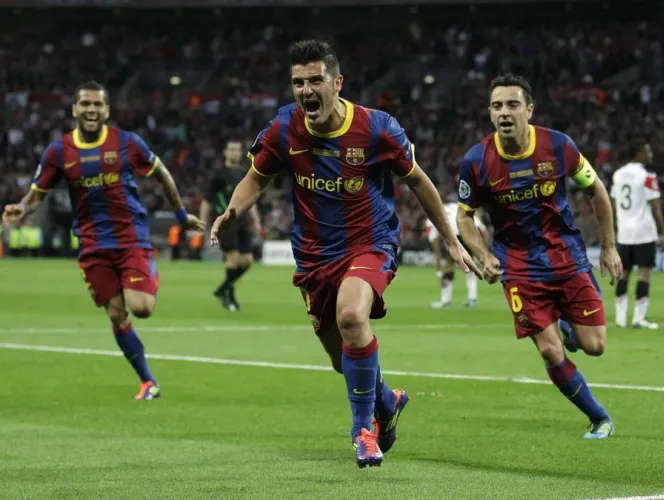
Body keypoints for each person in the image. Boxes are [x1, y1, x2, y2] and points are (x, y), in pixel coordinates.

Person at [209, 40, 481, 468]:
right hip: (314, 255)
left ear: (337, 83)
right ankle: (387, 401)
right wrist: (233, 210)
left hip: (370, 242)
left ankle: (363, 433)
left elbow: (418, 181)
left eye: (315, 80)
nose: (306, 90)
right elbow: (256, 177)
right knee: (342, 360)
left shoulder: (376, 128)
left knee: (352, 317)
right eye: (298, 82)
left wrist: (449, 238)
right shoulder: (284, 127)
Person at [1, 81, 204, 399]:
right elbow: (37, 193)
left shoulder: (127, 142)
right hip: (92, 244)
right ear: (74, 109)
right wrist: (22, 207)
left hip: (130, 238)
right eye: (85, 104)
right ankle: (148, 382)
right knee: (115, 313)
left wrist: (181, 215)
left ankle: (145, 272)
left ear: (107, 110)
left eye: (97, 104)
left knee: (142, 308)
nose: (91, 109)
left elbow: (162, 173)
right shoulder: (59, 151)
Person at [456, 73, 622, 439]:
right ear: (490, 113)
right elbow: (464, 217)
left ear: (529, 110)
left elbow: (596, 190)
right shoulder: (477, 160)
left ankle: (567, 326)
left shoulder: (558, 146)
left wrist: (609, 246)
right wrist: (483, 254)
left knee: (594, 346)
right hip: (518, 266)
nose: (504, 112)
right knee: (550, 351)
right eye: (497, 106)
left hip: (566, 256)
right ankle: (599, 418)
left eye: (512, 104)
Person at [610, 140, 664, 329]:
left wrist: (615, 228)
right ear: (639, 153)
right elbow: (656, 207)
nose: (650, 154)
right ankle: (639, 318)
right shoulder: (647, 176)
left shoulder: (618, 174)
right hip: (644, 232)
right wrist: (663, 232)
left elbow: (612, 203)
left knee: (623, 274)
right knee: (644, 274)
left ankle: (620, 318)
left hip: (624, 233)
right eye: (647, 150)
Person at [200, 140, 262, 311]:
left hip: (242, 220)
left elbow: (250, 199)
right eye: (232, 150)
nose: (235, 153)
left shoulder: (244, 173)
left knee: (247, 261)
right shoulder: (218, 174)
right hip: (225, 221)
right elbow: (207, 200)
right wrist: (203, 223)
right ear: (225, 152)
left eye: (238, 150)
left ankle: (222, 289)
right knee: (233, 258)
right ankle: (229, 296)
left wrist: (256, 220)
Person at [426, 200, 488, 308]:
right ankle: (472, 298)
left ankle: (446, 300)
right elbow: (482, 228)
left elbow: (437, 251)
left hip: (455, 233)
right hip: (467, 229)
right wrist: (486, 252)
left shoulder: (432, 220)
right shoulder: (457, 208)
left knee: (448, 266)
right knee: (469, 263)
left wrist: (438, 270)